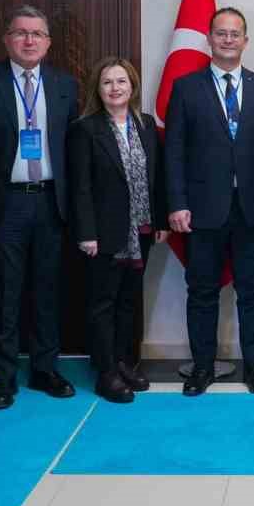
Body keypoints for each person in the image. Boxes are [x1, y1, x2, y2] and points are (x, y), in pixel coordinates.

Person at [164, 7, 254, 396]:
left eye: (235, 34)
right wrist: (177, 202)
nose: (228, 40)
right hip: (203, 210)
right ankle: (202, 368)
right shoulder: (187, 87)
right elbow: (174, 151)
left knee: (253, 291)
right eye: (221, 33)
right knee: (202, 291)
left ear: (245, 41)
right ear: (209, 38)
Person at [0, 5, 80, 409]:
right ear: (7, 39)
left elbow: (74, 153)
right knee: (5, 292)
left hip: (50, 202)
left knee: (48, 291)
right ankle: (4, 377)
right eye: (21, 33)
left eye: (37, 34)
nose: (29, 41)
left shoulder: (65, 85)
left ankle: (45, 369)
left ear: (48, 42)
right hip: (4, 203)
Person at [71, 58, 169, 404]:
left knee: (128, 302)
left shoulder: (145, 124)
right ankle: (106, 372)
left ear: (132, 87)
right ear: (98, 90)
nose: (115, 88)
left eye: (121, 82)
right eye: (108, 83)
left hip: (141, 229)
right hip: (105, 232)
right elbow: (80, 187)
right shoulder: (86, 129)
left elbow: (155, 177)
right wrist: (87, 233)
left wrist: (158, 221)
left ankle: (125, 362)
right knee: (103, 304)